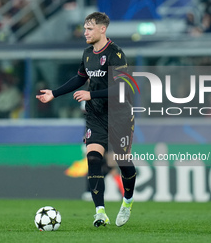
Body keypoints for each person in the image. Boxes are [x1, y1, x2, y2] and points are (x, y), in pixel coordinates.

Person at [36, 12, 136, 227]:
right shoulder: (88, 54)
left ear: (102, 29)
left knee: (123, 163)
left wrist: (91, 94)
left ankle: (127, 201)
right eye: (84, 28)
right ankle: (100, 212)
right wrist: (54, 93)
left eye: (89, 29)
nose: (85, 32)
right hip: (96, 115)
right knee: (93, 158)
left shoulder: (116, 54)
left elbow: (122, 87)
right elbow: (80, 78)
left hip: (119, 115)